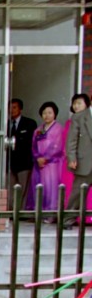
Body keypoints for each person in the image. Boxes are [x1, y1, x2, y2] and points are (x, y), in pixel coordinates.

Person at [27, 101, 66, 214]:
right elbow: (33, 146)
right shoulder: (38, 130)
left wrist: (46, 158)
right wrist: (37, 157)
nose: (47, 115)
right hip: (39, 164)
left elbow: (57, 146)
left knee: (51, 188)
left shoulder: (59, 129)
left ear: (55, 114)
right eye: (44, 113)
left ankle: (50, 214)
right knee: (38, 187)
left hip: (52, 164)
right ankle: (38, 213)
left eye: (50, 112)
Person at [64, 92, 92, 228]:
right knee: (77, 193)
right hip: (84, 162)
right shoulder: (79, 117)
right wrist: (72, 157)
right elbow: (72, 140)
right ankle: (68, 220)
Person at [5, 98, 37, 197]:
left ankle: (21, 211)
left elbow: (32, 143)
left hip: (24, 164)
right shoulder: (5, 124)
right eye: (9, 108)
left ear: (20, 109)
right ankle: (10, 211)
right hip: (9, 164)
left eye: (14, 107)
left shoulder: (29, 123)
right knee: (9, 192)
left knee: (23, 192)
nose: (11, 110)